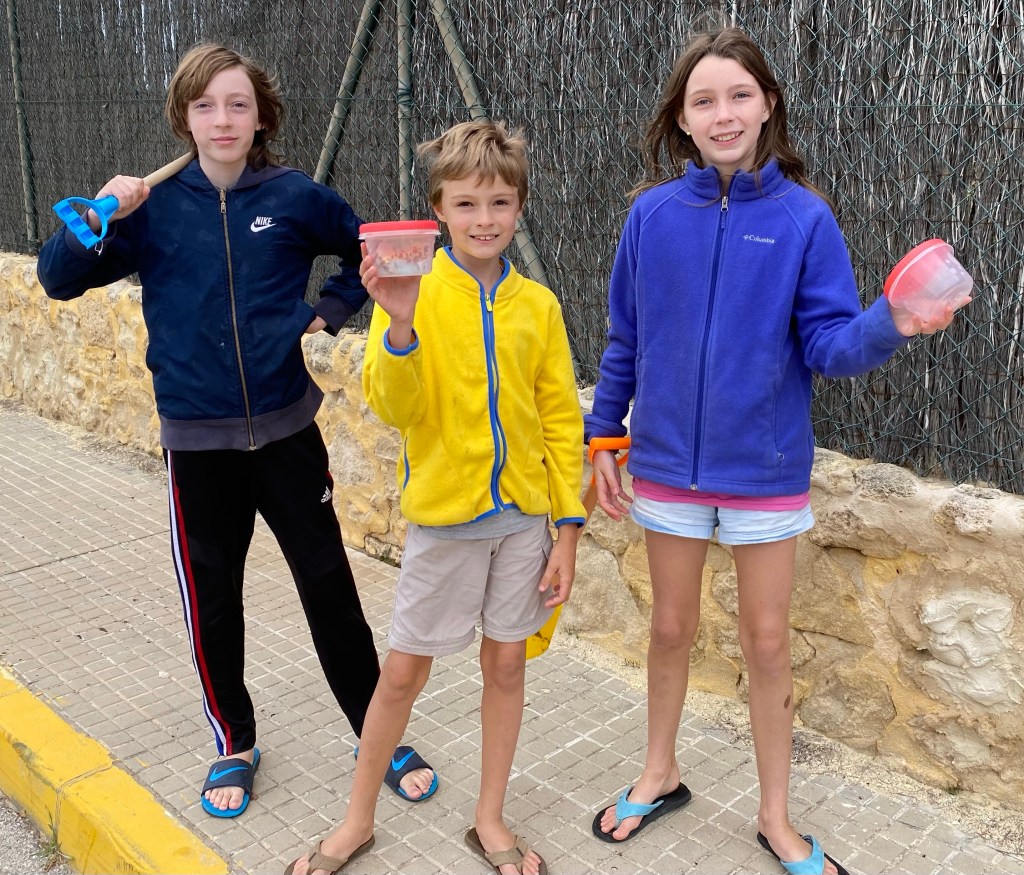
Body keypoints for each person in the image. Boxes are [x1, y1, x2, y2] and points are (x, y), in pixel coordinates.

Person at [584, 26, 966, 875]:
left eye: (739, 96)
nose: (723, 114)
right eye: (704, 100)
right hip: (666, 468)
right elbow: (625, 339)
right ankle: (658, 772)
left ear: (768, 106)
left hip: (763, 474)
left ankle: (776, 817)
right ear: (682, 120)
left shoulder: (805, 218)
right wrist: (604, 434)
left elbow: (829, 346)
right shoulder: (651, 216)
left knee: (765, 645)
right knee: (670, 627)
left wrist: (893, 321)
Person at [36, 42, 435, 819]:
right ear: (184, 117)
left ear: (261, 117)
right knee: (213, 600)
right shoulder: (150, 209)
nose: (223, 119)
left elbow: (366, 250)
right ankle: (235, 740)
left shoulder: (293, 195)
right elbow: (55, 279)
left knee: (329, 587)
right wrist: (99, 212)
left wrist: (329, 310)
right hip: (197, 447)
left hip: (288, 436)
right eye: (206, 105)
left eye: (238, 105)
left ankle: (374, 729)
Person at [285, 119, 585, 875]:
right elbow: (396, 407)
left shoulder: (539, 307)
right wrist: (399, 324)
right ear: (439, 210)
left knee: (507, 667)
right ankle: (357, 819)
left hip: (523, 523)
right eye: (466, 204)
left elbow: (559, 422)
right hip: (445, 526)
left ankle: (490, 818)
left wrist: (568, 531)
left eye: (500, 203)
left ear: (519, 207)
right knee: (402, 673)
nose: (485, 219)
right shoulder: (412, 291)